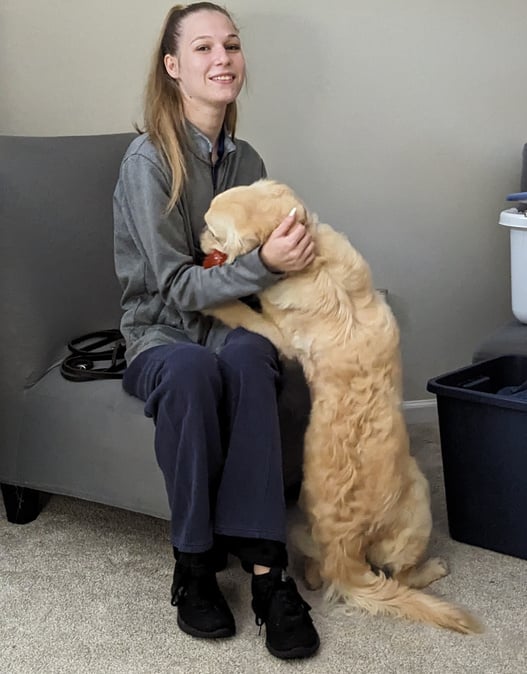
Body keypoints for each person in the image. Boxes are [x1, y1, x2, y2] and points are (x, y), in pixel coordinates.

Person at [113, 2, 319, 660]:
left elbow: (253, 274)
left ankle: (266, 574)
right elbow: (174, 289)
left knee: (255, 352)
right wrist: (262, 264)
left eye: (230, 45)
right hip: (161, 338)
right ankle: (194, 566)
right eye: (202, 48)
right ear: (173, 67)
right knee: (194, 369)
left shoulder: (248, 156)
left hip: (229, 328)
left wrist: (290, 265)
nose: (222, 58)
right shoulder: (148, 162)